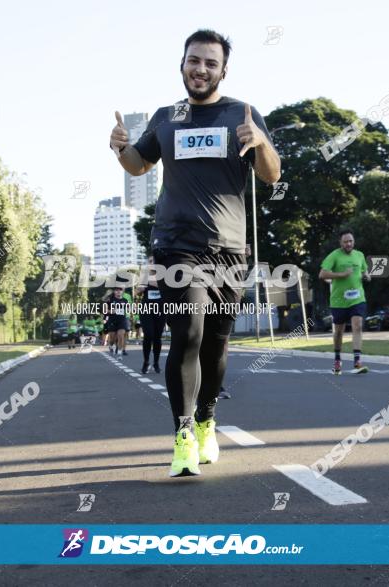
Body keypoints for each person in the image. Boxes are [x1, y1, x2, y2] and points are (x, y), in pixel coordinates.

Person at [110, 29, 281, 477]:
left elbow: (271, 175)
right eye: (193, 60)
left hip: (228, 251)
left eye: (209, 62)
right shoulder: (168, 117)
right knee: (186, 333)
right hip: (175, 248)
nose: (200, 69)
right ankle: (183, 434)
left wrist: (260, 142)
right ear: (181, 65)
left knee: (215, 346)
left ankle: (206, 418)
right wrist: (120, 148)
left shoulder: (242, 113)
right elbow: (139, 164)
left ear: (223, 69)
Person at [318, 230, 370, 375]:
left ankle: (357, 361)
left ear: (354, 242)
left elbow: (365, 272)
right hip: (339, 301)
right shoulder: (334, 255)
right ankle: (337, 359)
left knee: (357, 325)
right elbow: (322, 274)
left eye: (351, 241)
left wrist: (367, 277)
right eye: (346, 241)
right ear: (341, 243)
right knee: (339, 332)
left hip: (357, 298)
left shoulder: (359, 255)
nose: (349, 244)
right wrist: (341, 274)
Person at [137, 256, 167, 374]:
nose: (152, 263)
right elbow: (137, 290)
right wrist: (141, 287)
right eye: (149, 261)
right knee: (148, 335)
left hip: (160, 309)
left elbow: (166, 287)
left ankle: (156, 362)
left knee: (157, 337)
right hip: (146, 309)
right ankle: (146, 361)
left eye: (154, 261)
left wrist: (150, 282)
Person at [102, 287, 131, 357]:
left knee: (121, 335)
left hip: (122, 320)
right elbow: (104, 310)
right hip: (112, 320)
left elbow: (128, 309)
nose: (118, 292)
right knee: (112, 338)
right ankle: (111, 345)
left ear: (122, 292)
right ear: (114, 292)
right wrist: (111, 311)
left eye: (120, 290)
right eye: (117, 290)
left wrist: (130, 309)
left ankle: (119, 352)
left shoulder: (125, 300)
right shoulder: (110, 300)